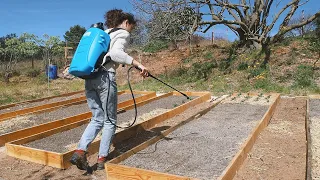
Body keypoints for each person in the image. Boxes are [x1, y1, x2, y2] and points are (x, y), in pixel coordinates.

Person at [70, 9, 148, 171]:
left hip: (89, 77)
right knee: (110, 120)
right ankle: (102, 159)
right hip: (105, 77)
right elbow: (116, 53)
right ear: (126, 22)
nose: (130, 31)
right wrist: (138, 64)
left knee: (97, 117)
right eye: (131, 27)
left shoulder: (103, 33)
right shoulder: (122, 34)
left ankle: (80, 150)